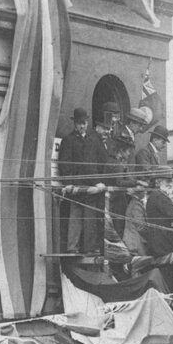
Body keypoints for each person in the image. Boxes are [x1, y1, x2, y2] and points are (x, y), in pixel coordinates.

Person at [58, 108, 110, 256]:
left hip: (92, 183)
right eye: (79, 123)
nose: (82, 126)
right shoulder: (68, 140)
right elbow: (65, 164)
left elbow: (102, 161)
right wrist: (68, 183)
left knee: (90, 217)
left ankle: (89, 248)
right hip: (77, 184)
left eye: (84, 123)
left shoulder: (94, 140)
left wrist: (100, 181)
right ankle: (72, 247)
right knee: (75, 215)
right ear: (74, 123)